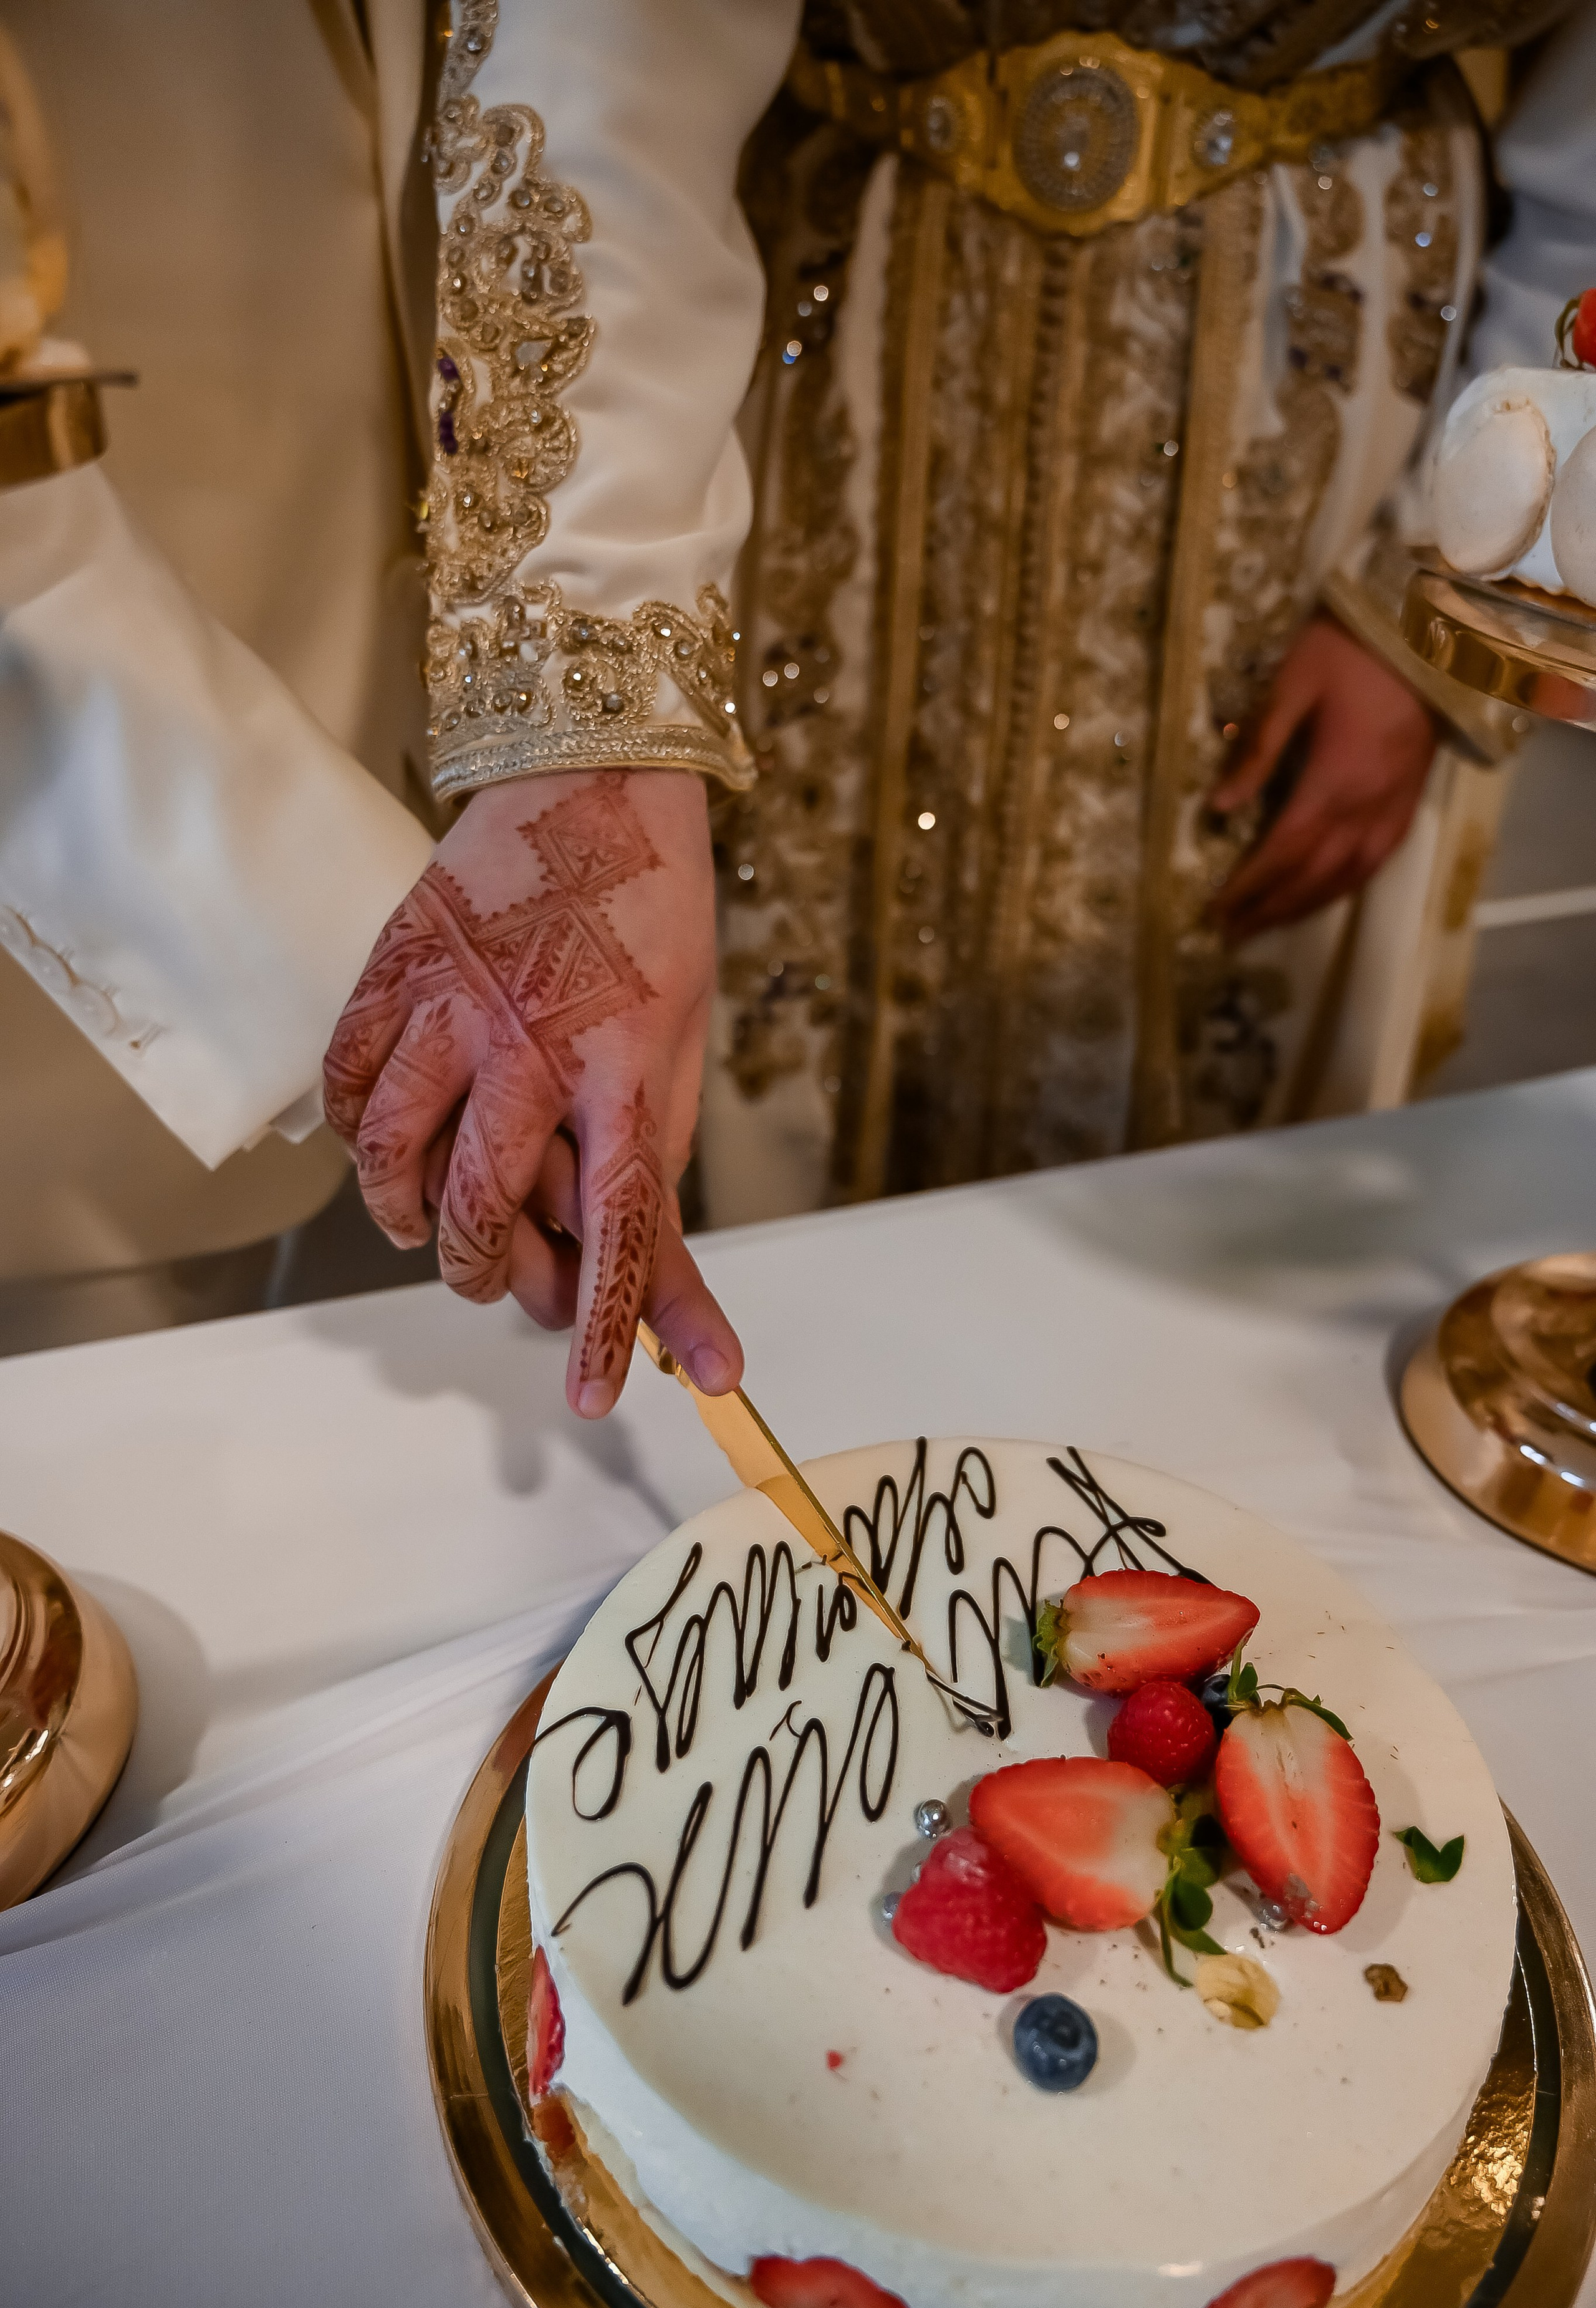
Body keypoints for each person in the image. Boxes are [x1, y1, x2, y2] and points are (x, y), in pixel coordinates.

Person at [1, 1, 1586, 1411]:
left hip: (1328, 409)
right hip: (803, 371)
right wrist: (594, 697)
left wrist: (1428, 581)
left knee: (1230, 1237)